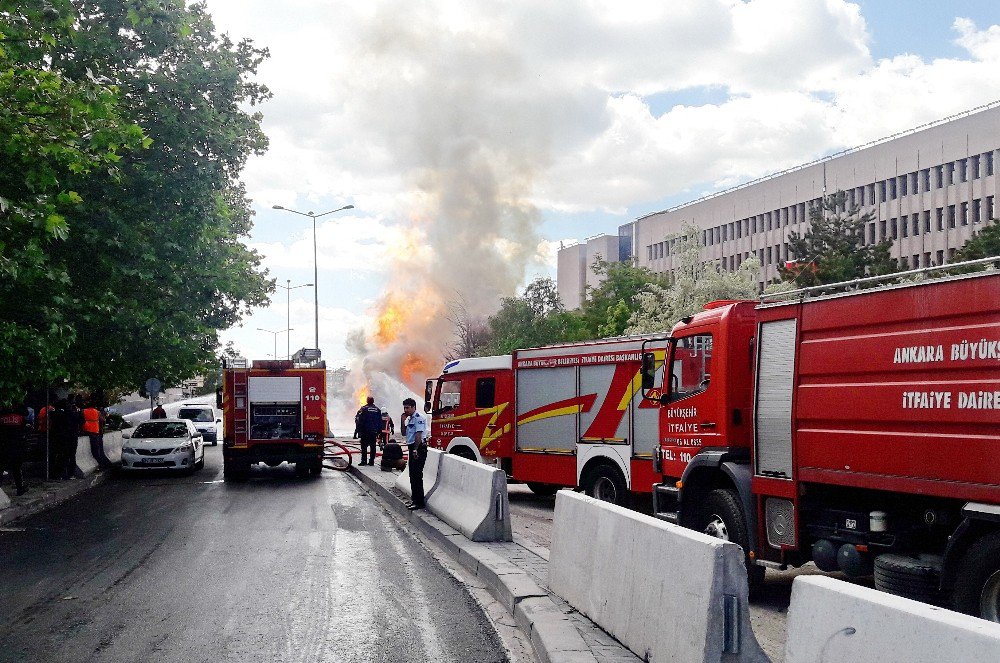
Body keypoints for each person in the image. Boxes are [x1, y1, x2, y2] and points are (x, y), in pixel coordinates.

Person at [0, 404, 30, 496]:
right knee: (17, 468)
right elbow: (25, 428)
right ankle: (20, 488)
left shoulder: (2, 418)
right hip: (17, 446)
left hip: (4, 446)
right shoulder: (20, 418)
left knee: (1, 468)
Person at [403, 397, 427, 510]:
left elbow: (418, 435)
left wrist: (415, 449)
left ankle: (419, 502)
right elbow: (404, 433)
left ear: (413, 407)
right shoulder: (409, 418)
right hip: (412, 447)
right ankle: (414, 500)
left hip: (418, 448)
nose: (405, 409)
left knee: (417, 475)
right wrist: (403, 419)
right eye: (404, 407)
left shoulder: (419, 418)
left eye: (407, 407)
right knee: (412, 475)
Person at [355, 396, 382, 466]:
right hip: (374, 432)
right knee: (373, 447)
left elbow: (358, 419)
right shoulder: (378, 410)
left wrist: (358, 431)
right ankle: (371, 461)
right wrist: (379, 431)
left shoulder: (363, 409)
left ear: (367, 401)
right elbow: (380, 421)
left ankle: (364, 461)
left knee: (364, 447)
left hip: (365, 431)